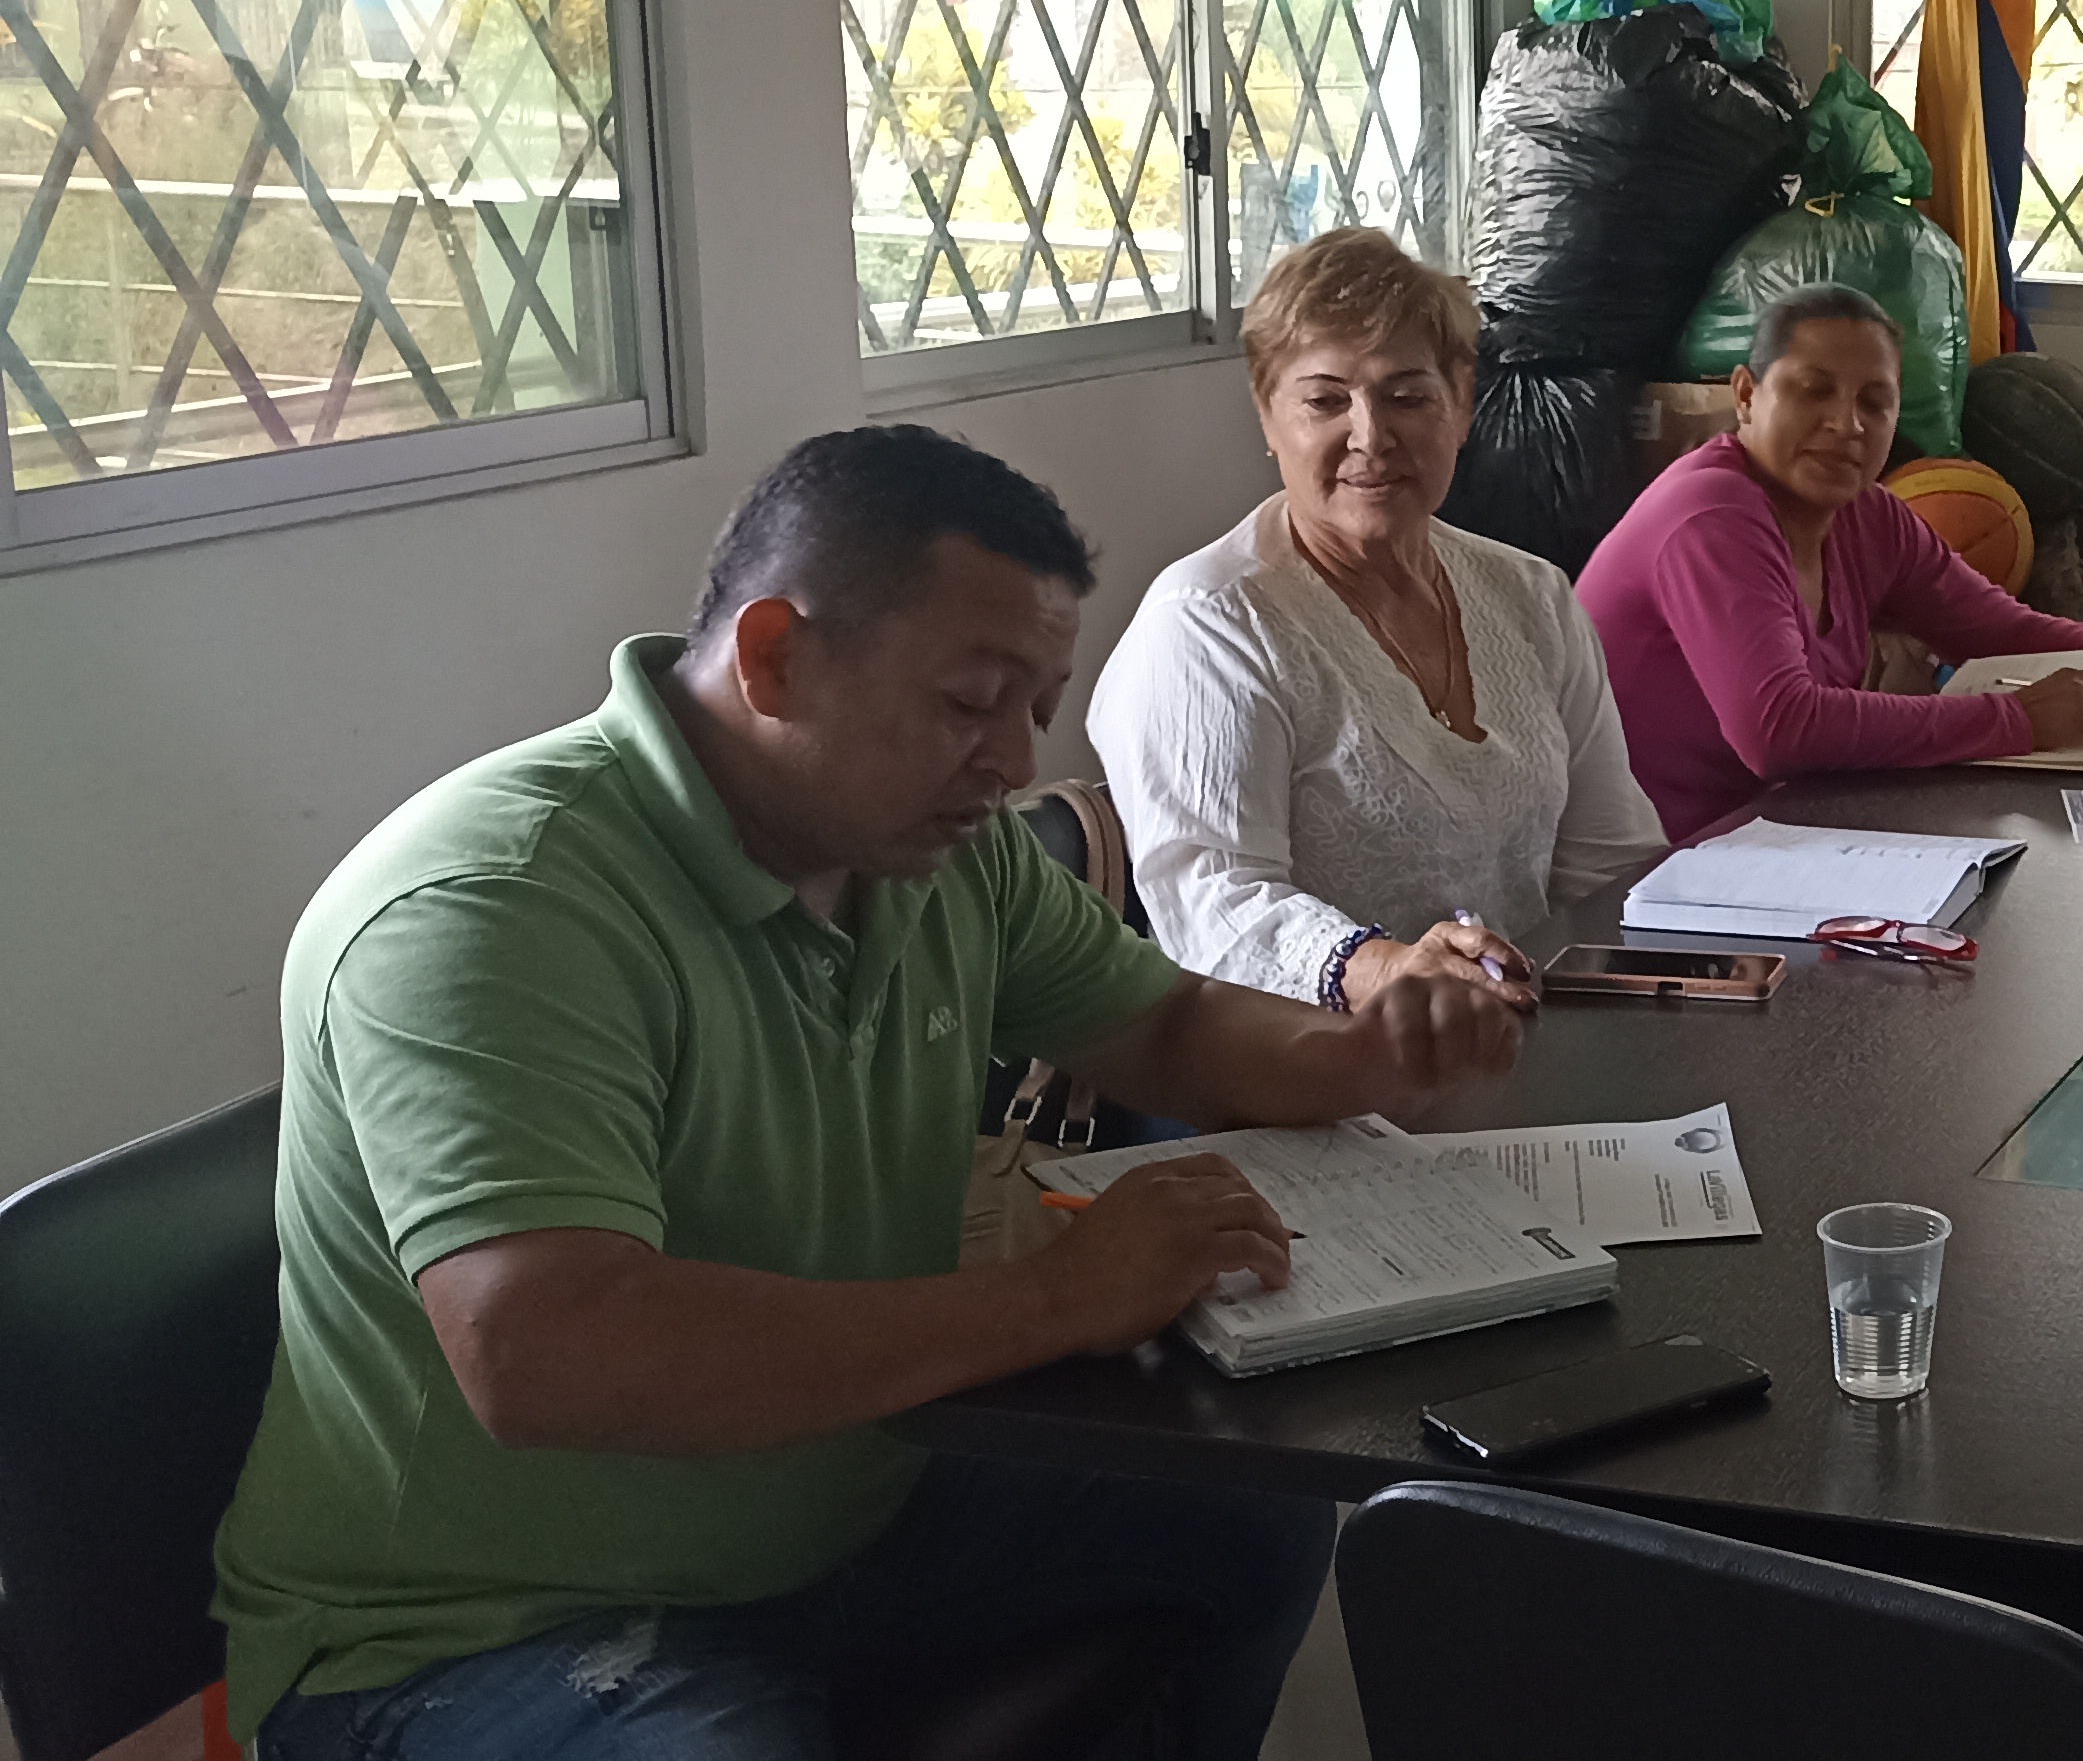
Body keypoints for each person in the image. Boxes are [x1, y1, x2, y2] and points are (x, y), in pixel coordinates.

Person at [211, 426, 1528, 1759]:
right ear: (775, 656)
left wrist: (1361, 1053)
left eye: (1035, 707)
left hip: (841, 1513)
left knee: (1250, 1516)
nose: (1010, 762)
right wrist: (1057, 1298)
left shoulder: (935, 856)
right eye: (969, 702)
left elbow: (1167, 1024)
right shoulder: (494, 907)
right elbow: (543, 1350)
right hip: (486, 1625)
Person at [1089, 227, 1665, 1014]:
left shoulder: (1529, 596)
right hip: (1307, 1059)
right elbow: (1214, 909)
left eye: (1408, 397)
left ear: (1460, 406)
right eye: (1326, 400)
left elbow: (1609, 861)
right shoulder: (1210, 625)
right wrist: (1388, 971)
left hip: (1523, 1038)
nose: (1371, 436)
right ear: (1267, 416)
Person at [1580, 283, 2083, 843]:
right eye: (1813, 390)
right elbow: (1779, 729)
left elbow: (2000, 630)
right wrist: (2017, 718)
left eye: (1875, 403)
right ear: (1745, 395)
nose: (1847, 424)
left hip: (1771, 836)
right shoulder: (1711, 513)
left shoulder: (1868, 516)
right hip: (1649, 873)